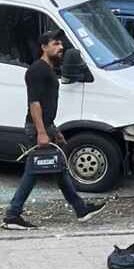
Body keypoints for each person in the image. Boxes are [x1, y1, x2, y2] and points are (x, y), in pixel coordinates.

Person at [2, 30, 106, 230]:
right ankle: (12, 215)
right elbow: (35, 104)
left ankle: (81, 209)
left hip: (46, 126)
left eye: (61, 44)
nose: (61, 48)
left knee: (59, 169)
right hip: (37, 128)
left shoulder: (48, 70)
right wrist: (41, 132)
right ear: (44, 47)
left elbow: (47, 105)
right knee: (33, 171)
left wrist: (53, 129)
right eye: (56, 44)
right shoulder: (37, 71)